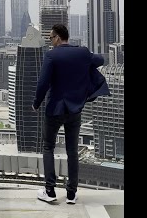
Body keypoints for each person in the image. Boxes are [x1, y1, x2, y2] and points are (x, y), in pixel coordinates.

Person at [32, 24, 110, 205]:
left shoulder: (51, 55)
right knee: (72, 152)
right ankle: (71, 194)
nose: (51, 42)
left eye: (51, 38)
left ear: (58, 37)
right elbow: (100, 61)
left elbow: (43, 83)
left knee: (48, 147)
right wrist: (84, 61)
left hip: (54, 109)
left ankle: (50, 191)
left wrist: (36, 103)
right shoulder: (82, 53)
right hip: (75, 109)